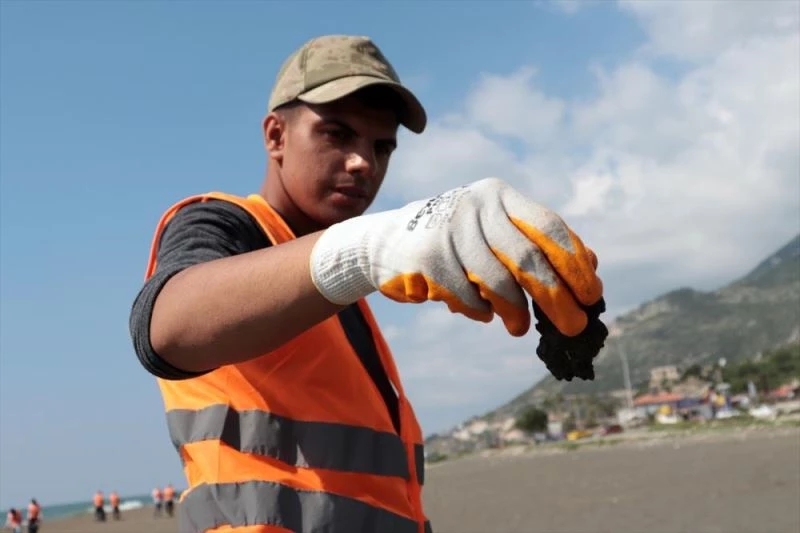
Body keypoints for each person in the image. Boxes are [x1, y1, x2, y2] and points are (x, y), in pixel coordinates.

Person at [129, 34, 604, 533]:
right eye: (336, 133)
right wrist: (362, 249)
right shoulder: (227, 225)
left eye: (382, 146)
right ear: (275, 136)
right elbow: (165, 328)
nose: (363, 163)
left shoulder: (346, 294)